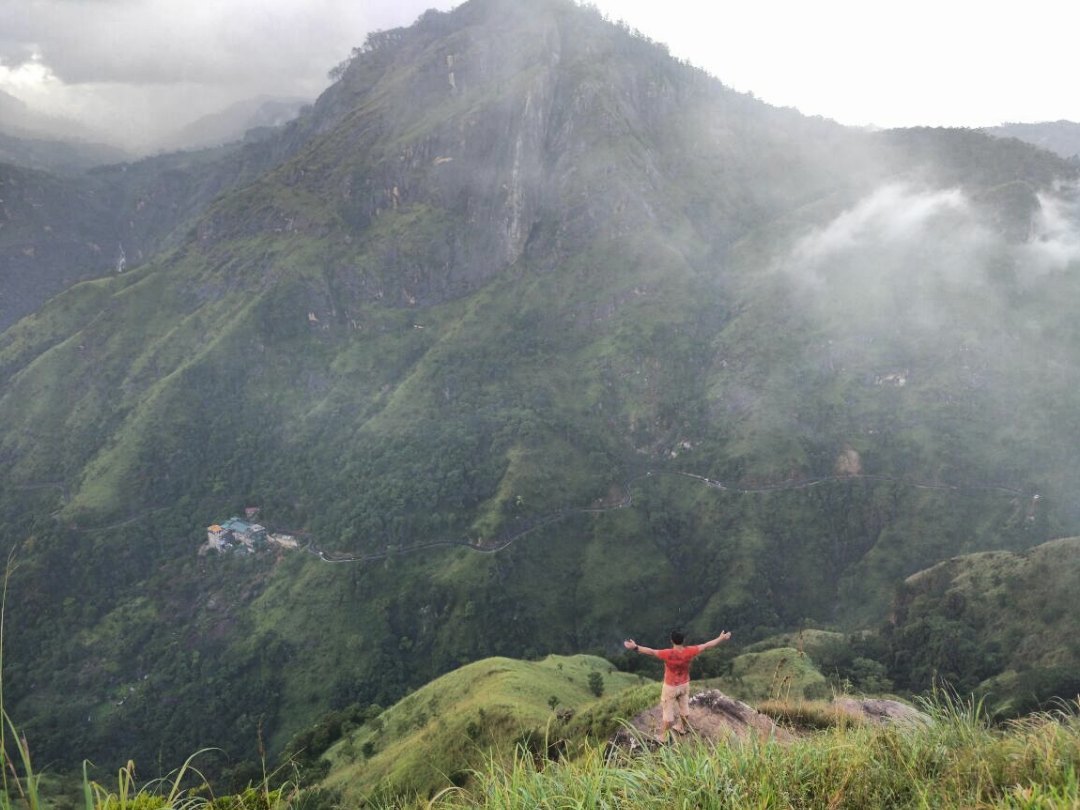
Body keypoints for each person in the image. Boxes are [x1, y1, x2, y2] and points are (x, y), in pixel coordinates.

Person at [624, 628, 732, 742]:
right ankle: (682, 728)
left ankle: (663, 737)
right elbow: (706, 645)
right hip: (684, 684)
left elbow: (650, 651)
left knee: (668, 714)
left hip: (670, 686)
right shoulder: (689, 651)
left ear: (672, 640)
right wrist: (721, 638)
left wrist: (635, 647)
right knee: (684, 709)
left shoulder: (667, 654)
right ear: (683, 640)